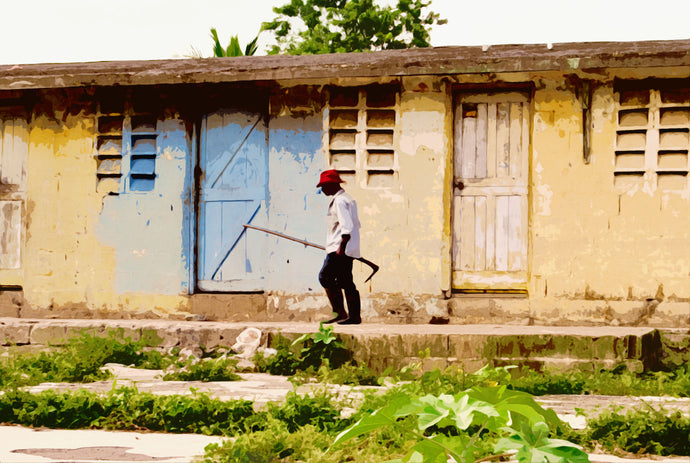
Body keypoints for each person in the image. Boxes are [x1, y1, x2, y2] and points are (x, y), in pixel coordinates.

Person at [317, 169, 362, 325]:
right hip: (346, 247)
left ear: (332, 185)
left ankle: (341, 313)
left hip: (340, 248)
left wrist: (341, 248)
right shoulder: (347, 198)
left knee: (325, 277)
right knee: (346, 281)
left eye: (324, 186)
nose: (322, 190)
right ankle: (352, 316)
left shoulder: (340, 201)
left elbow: (347, 226)